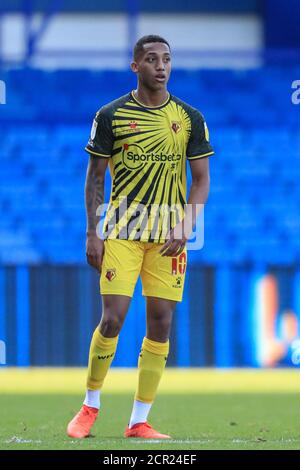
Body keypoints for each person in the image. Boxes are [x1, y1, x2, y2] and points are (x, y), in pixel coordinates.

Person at [67, 34, 214, 440]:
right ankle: (89, 406)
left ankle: (138, 420)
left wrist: (188, 224)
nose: (161, 66)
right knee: (112, 319)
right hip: (123, 231)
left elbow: (201, 181)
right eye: (151, 59)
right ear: (136, 66)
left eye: (166, 59)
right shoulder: (111, 115)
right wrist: (92, 232)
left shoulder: (189, 119)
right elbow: (95, 177)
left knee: (161, 324)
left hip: (169, 235)